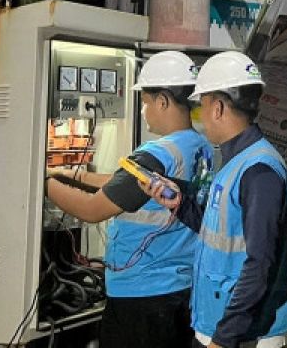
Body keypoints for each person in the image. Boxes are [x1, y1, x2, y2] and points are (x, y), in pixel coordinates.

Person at [45, 50, 213, 348]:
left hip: (141, 294)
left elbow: (92, 209)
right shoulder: (200, 146)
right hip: (183, 287)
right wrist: (72, 175)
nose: (144, 111)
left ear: (162, 101)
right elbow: (122, 183)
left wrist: (42, 183)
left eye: (146, 103)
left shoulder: (156, 155)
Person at [145, 51, 287, 348]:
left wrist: (225, 338)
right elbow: (218, 231)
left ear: (217, 107)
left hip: (245, 334)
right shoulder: (237, 161)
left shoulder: (259, 172)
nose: (201, 118)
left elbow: (260, 263)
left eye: (201, 108)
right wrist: (178, 204)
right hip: (221, 324)